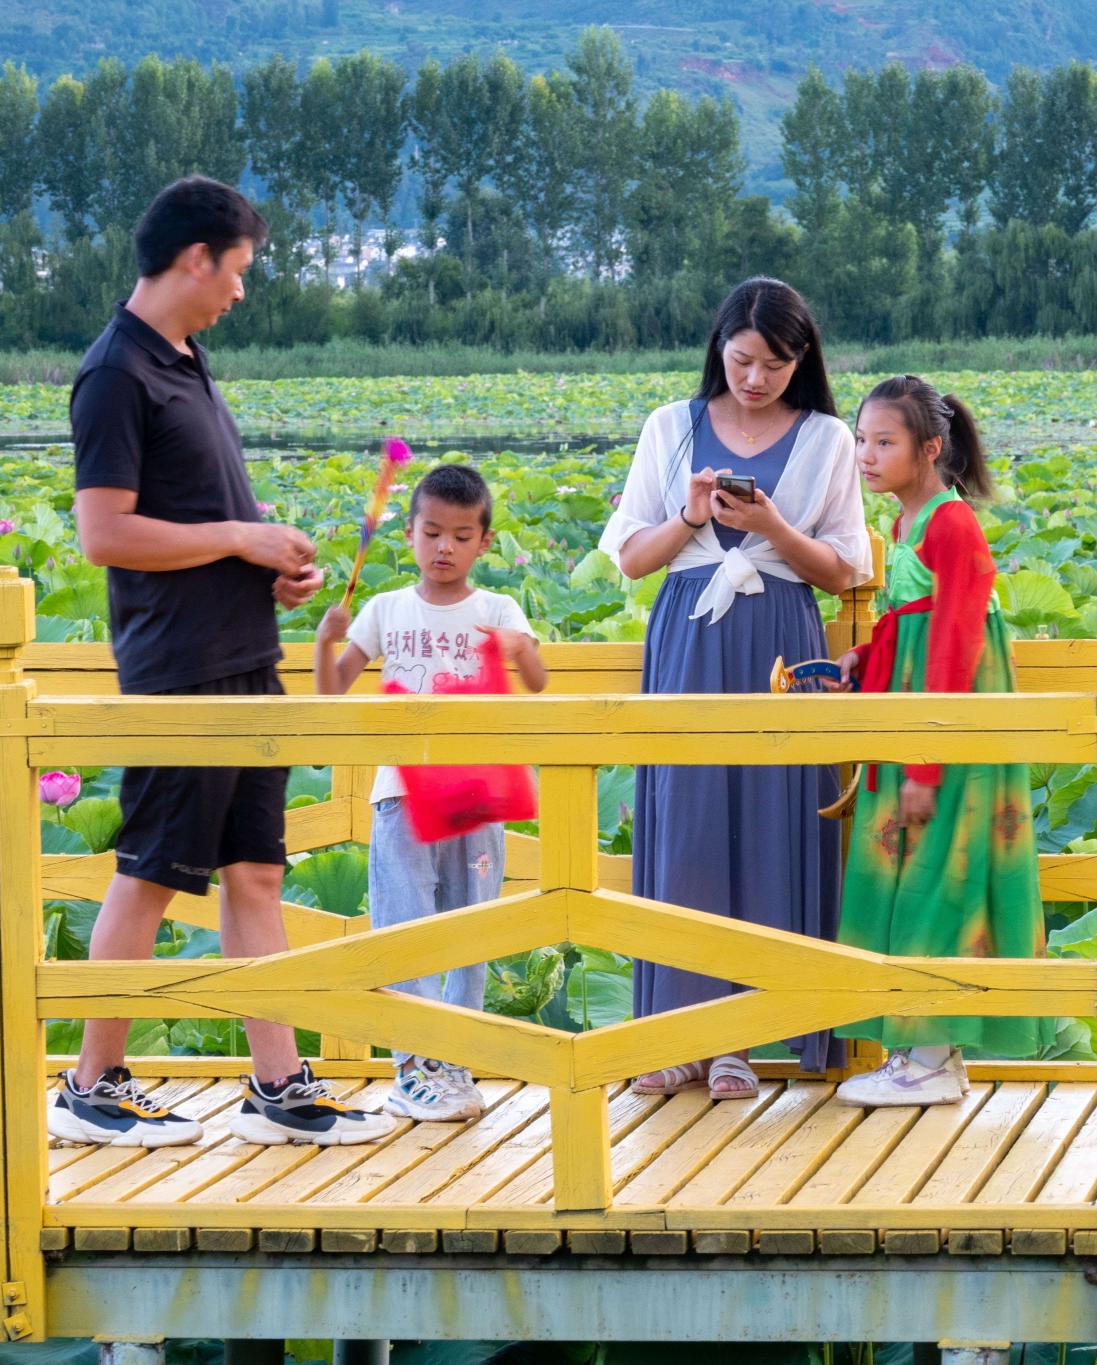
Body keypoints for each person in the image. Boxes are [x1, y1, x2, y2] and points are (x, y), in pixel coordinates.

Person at [54, 176, 393, 1149]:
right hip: (178, 669)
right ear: (195, 258)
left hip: (245, 656)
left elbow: (203, 526)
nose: (241, 291)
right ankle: (92, 1084)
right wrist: (242, 541)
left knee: (254, 874)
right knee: (152, 871)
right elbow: (103, 532)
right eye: (237, 271)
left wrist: (268, 573)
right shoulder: (115, 373)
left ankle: (277, 1085)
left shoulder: (185, 362)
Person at [599, 277, 871, 1098]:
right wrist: (690, 518)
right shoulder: (668, 428)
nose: (756, 379)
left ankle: (742, 1039)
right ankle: (679, 1033)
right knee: (685, 821)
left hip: (781, 636)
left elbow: (843, 569)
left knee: (772, 819)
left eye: (777, 365)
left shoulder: (826, 437)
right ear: (720, 346)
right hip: (688, 631)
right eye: (744, 359)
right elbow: (633, 559)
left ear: (803, 362)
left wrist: (772, 527)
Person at [831, 375, 1054, 1107]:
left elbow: (955, 641)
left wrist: (927, 757)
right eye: (862, 439)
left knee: (937, 865)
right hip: (916, 709)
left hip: (949, 723)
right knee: (906, 863)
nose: (866, 455)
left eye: (884, 442)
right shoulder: (904, 522)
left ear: (930, 448)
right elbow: (911, 622)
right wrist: (865, 661)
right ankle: (931, 1051)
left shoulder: (950, 525)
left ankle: (927, 1055)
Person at [313, 462, 548, 1122]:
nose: (445, 547)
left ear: (484, 542)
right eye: (432, 532)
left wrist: (515, 647)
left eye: (462, 535)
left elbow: (538, 679)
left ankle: (455, 1057)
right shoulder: (386, 608)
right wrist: (323, 643)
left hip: (477, 792)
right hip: (402, 793)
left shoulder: (498, 607)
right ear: (409, 533)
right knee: (405, 926)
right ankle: (411, 1066)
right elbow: (333, 693)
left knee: (471, 929)